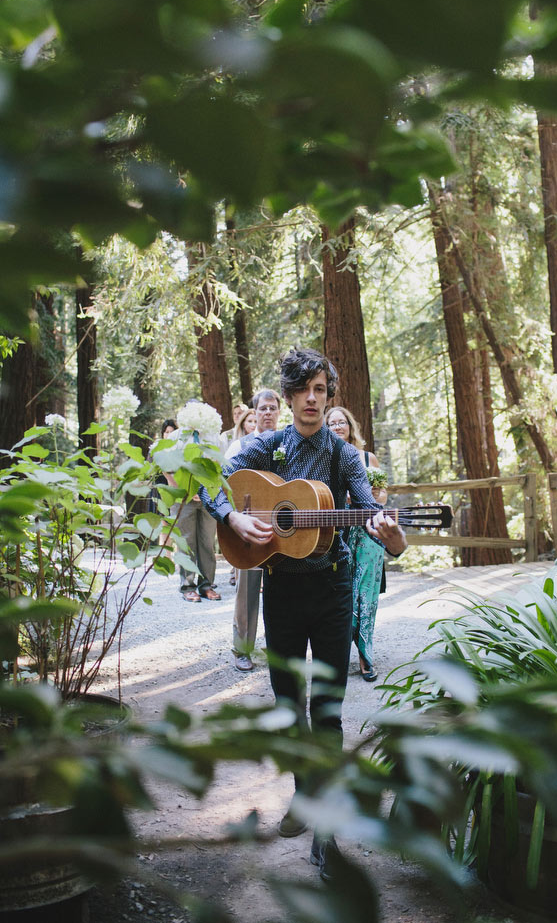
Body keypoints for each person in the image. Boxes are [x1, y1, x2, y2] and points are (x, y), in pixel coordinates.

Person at [201, 350, 406, 880]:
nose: (313, 399)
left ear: (329, 396)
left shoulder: (342, 456)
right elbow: (211, 483)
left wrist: (391, 532)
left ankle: (326, 828)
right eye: (304, 390)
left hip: (332, 591)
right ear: (289, 396)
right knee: (291, 704)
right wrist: (235, 518)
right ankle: (304, 794)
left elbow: (365, 507)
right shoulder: (267, 446)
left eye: (321, 389)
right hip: (282, 593)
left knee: (330, 710)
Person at [325, 406, 387, 683]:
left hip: (368, 535)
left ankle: (366, 654)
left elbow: (383, 496)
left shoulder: (367, 457)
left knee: (366, 596)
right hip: (337, 535)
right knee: (342, 595)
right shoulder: (324, 459)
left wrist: (369, 496)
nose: (338, 426)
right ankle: (338, 655)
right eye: (332, 423)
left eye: (342, 422)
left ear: (350, 426)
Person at [223, 389, 281, 671]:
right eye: (263, 409)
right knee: (246, 592)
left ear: (279, 412)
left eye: (273, 408)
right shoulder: (239, 446)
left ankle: (278, 648)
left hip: (281, 530)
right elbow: (225, 486)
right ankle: (242, 649)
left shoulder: (288, 443)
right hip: (249, 528)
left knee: (281, 590)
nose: (268, 413)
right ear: (254, 413)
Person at [166, 404, 221, 604]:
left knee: (207, 541)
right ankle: (187, 586)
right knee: (186, 542)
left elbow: (217, 465)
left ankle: (207, 584)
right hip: (183, 497)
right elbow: (165, 466)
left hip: (207, 496)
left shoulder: (212, 436)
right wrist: (183, 489)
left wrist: (205, 489)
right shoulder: (175, 438)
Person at [226, 406, 257, 585]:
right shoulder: (239, 445)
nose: (253, 424)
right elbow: (223, 474)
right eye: (250, 421)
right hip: (245, 502)